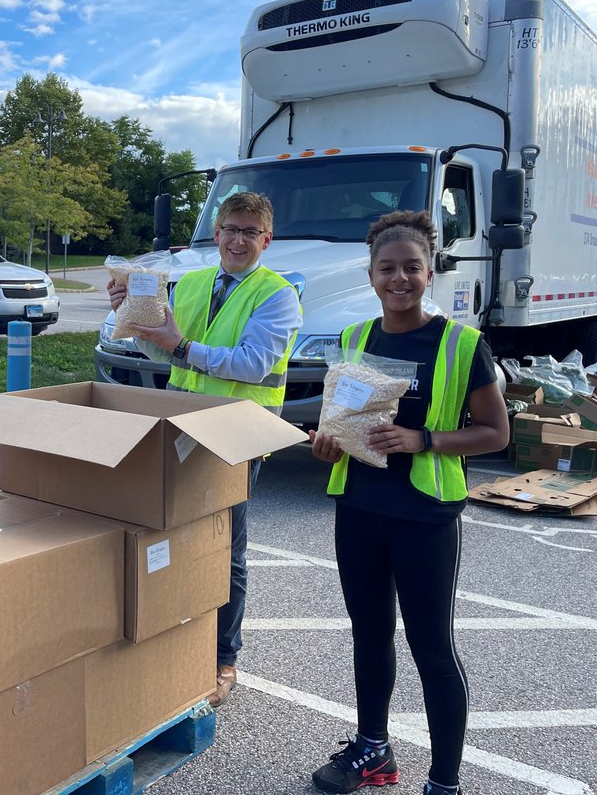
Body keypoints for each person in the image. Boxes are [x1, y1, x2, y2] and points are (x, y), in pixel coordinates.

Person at [307, 210, 509, 795]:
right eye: (387, 268)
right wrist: (327, 444)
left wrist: (425, 440)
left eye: (412, 268)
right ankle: (373, 751)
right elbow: (341, 422)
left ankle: (444, 783)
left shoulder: (462, 344)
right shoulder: (354, 339)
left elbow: (496, 433)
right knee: (369, 636)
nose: (400, 279)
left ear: (430, 272)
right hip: (359, 508)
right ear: (370, 274)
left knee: (432, 650)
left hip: (424, 516)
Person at [108, 190, 302, 707]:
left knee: (225, 549)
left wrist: (181, 346)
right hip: (182, 429)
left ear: (266, 240)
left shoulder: (277, 295)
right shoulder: (191, 283)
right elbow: (161, 351)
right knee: (172, 537)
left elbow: (252, 364)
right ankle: (177, 641)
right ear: (216, 234)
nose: (238, 240)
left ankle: (223, 658)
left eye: (250, 232)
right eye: (230, 230)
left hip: (238, 435)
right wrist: (132, 317)